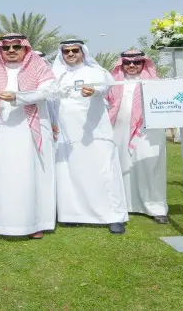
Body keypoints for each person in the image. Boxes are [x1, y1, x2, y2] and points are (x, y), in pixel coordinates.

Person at [0, 34, 57, 239]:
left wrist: (19, 97)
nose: (11, 51)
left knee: (29, 174)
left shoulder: (38, 66)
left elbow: (49, 90)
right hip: (1, 131)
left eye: (17, 46)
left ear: (25, 49)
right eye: (6, 48)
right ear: (1, 50)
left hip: (29, 130)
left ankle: (34, 224)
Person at [51, 40, 128, 234]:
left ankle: (113, 216)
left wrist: (94, 91)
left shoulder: (96, 71)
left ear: (83, 52)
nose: (70, 54)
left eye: (74, 50)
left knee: (104, 171)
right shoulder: (55, 75)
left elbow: (105, 87)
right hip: (67, 133)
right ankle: (73, 215)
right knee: (70, 172)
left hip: (95, 133)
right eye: (66, 51)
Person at [107, 50, 169, 223]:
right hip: (119, 132)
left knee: (149, 166)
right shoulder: (114, 84)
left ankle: (155, 208)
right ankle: (123, 205)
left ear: (144, 64)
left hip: (148, 133)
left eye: (137, 62)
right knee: (122, 167)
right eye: (127, 62)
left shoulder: (156, 84)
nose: (132, 65)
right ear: (122, 64)